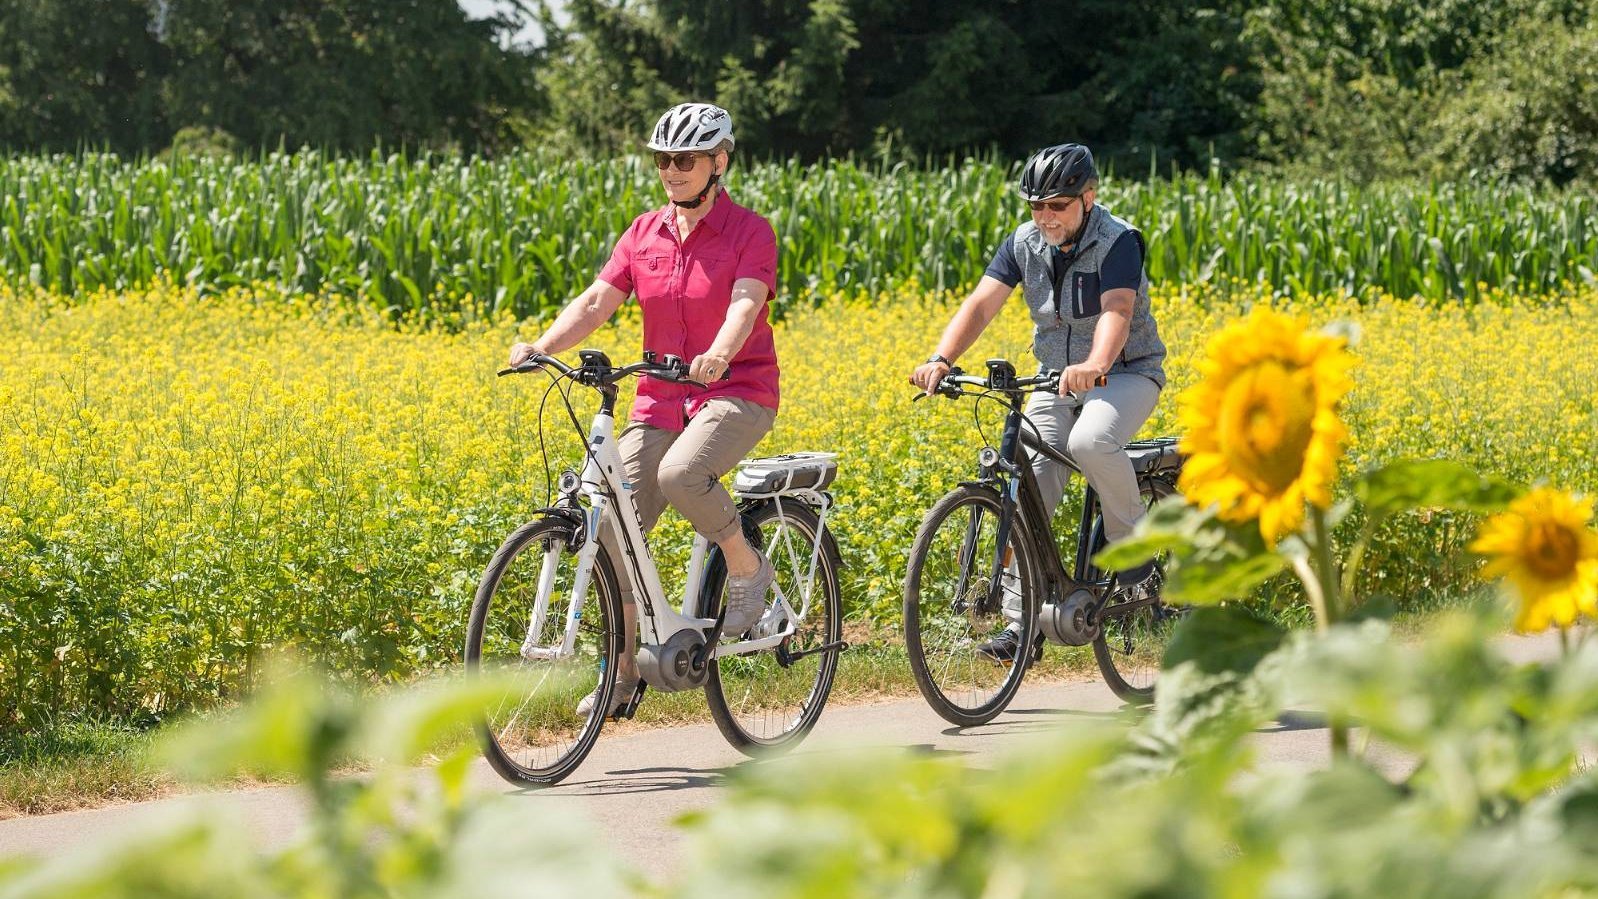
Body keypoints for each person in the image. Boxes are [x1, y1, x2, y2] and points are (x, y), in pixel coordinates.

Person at [508, 102, 781, 714]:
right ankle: (622, 670)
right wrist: (543, 347)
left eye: (684, 160)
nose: (672, 171)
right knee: (606, 524)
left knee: (681, 474)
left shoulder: (749, 232)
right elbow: (597, 300)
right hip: (659, 396)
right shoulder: (643, 233)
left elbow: (745, 304)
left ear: (719, 162)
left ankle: (746, 566)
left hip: (735, 390)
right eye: (663, 160)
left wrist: (717, 353)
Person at [908, 143, 1166, 663]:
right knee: (1031, 476)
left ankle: (1133, 552)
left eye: (1058, 205)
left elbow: (1117, 310)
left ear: (1087, 199)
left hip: (1126, 373)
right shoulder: (1024, 242)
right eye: (1036, 206)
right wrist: (941, 357)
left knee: (1091, 441)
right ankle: (1020, 625)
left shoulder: (1118, 241)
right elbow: (982, 302)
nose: (1045, 217)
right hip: (1056, 380)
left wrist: (1095, 364)